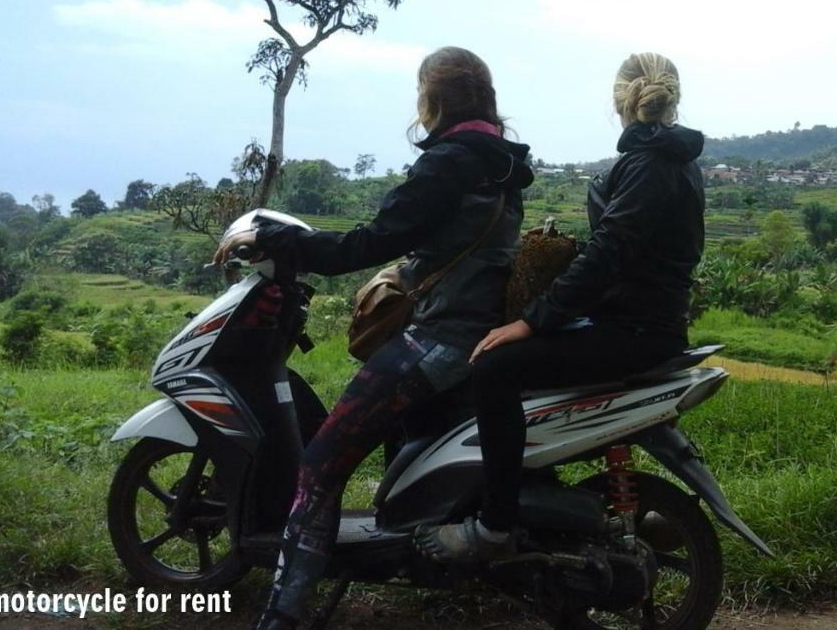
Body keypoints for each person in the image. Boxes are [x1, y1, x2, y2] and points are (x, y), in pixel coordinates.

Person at [213, 47, 534, 630]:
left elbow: (369, 244)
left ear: (431, 99)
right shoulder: (502, 163)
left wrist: (278, 241)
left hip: (441, 339)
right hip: (482, 333)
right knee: (404, 450)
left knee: (320, 464)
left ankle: (283, 615)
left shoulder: (450, 162)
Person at [417, 52, 705, 561]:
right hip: (643, 320)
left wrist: (533, 320)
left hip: (635, 329)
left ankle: (495, 526)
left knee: (494, 367)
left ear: (619, 98)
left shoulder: (649, 163)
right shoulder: (674, 159)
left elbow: (610, 252)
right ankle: (535, 501)